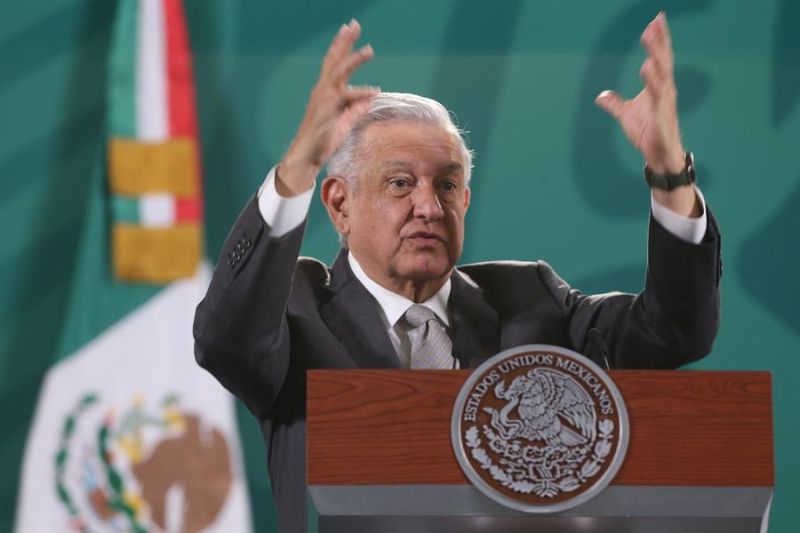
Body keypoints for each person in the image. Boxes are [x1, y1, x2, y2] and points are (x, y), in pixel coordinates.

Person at [193, 13, 720, 533]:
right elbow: (227, 340)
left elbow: (673, 331)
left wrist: (671, 174)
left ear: (465, 200)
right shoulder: (295, 309)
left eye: (446, 186)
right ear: (339, 204)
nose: (428, 206)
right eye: (400, 184)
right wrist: (297, 170)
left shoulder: (530, 297)